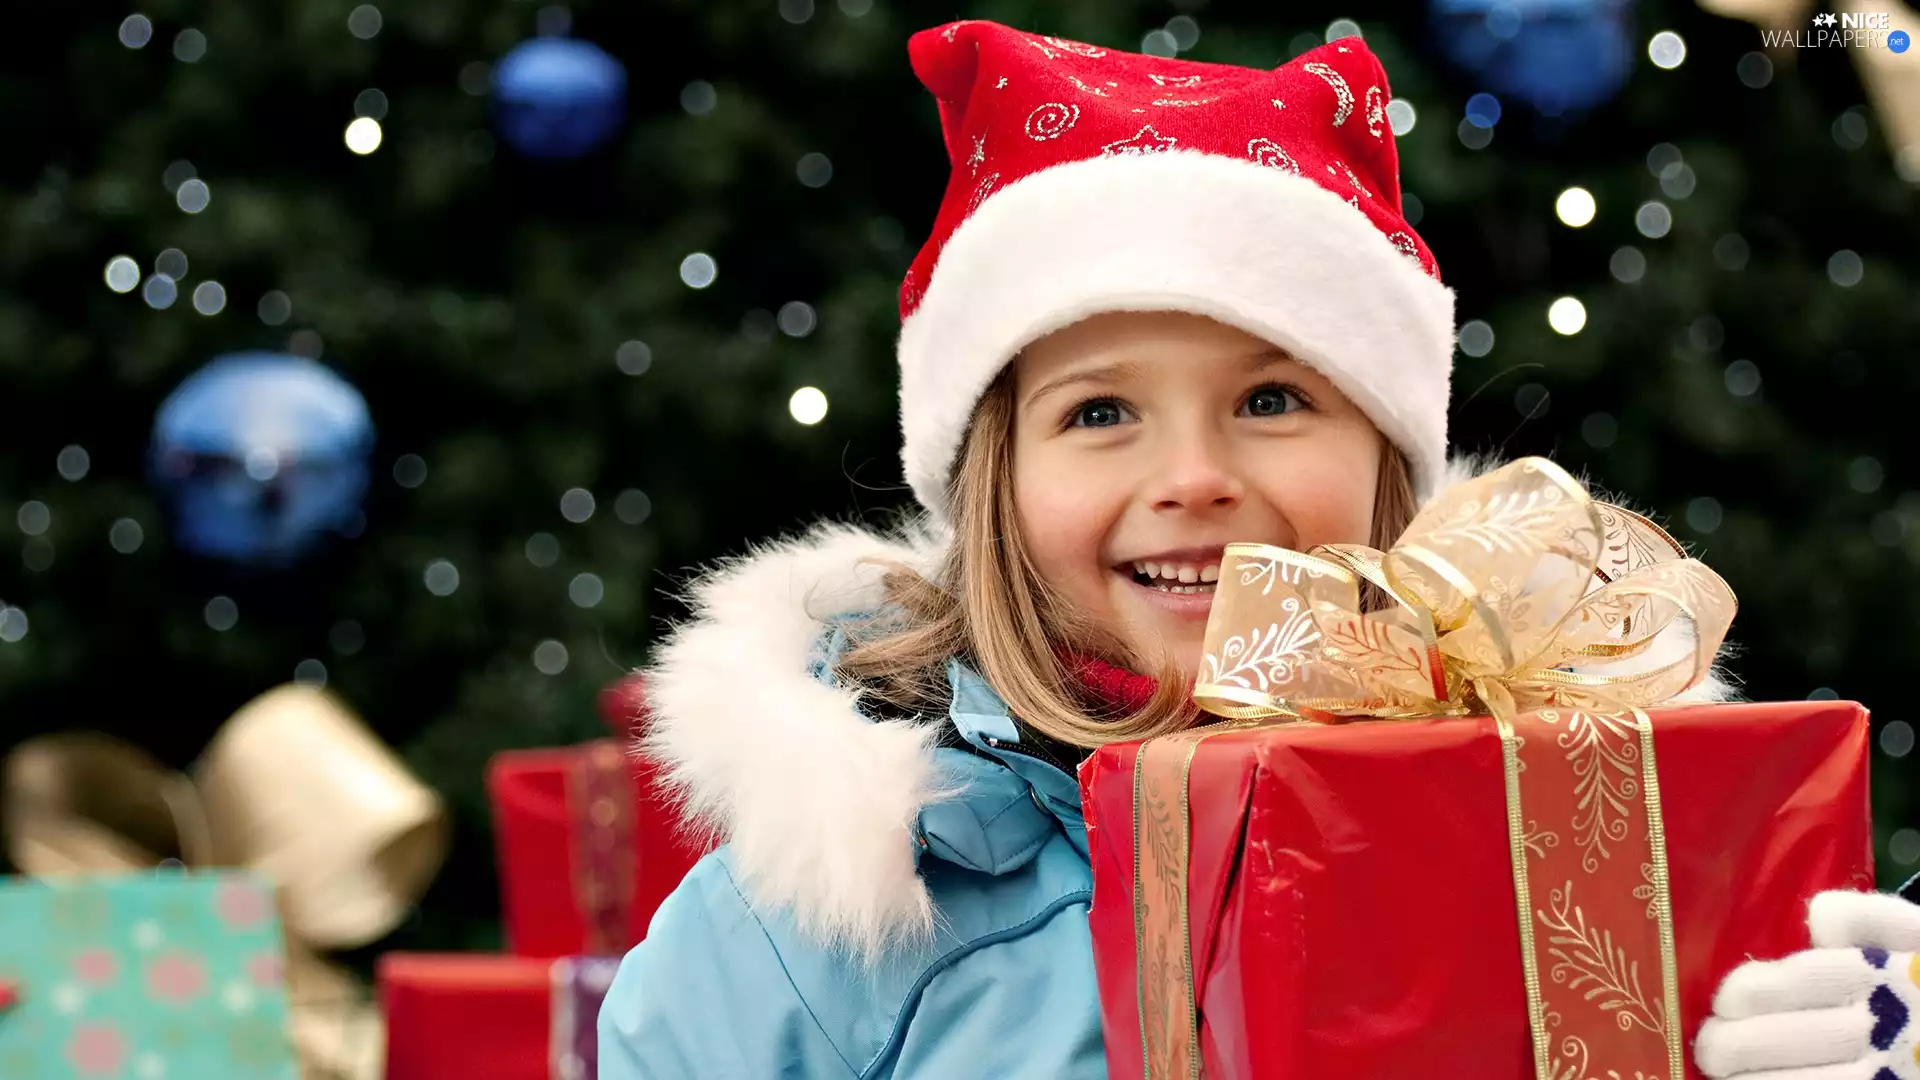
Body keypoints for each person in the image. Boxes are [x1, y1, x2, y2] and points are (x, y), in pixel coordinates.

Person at [597, 19, 1913, 1080]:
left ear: (1392, 466)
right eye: (1099, 413)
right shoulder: (812, 931)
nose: (1194, 480)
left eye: (1273, 400)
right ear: (992, 490)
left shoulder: (1603, 836)